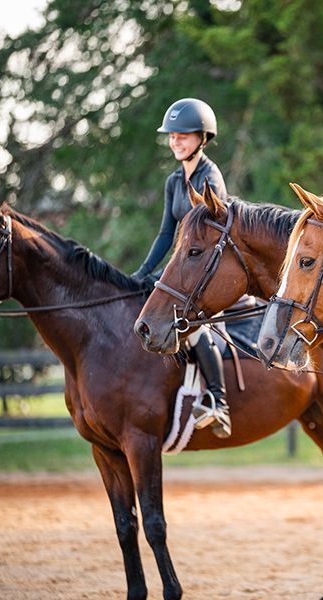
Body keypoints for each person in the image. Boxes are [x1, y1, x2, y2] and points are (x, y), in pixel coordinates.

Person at [132, 97, 232, 438]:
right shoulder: (174, 181)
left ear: (202, 138)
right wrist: (144, 272)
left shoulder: (210, 178)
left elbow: (207, 237)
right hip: (187, 264)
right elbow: (165, 234)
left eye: (183, 135)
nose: (175, 140)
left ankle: (219, 403)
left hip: (210, 267)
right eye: (172, 135)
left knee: (194, 327)